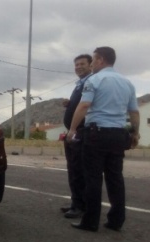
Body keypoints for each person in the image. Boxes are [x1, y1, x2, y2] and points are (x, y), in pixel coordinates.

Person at [67, 46, 140, 232]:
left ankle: (90, 221)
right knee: (115, 178)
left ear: (100, 60)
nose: (91, 64)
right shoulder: (127, 83)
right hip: (118, 134)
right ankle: (116, 220)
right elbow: (134, 111)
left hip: (96, 133)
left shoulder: (95, 80)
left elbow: (84, 105)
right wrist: (135, 133)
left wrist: (73, 129)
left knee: (93, 178)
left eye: (93, 60)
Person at [60, 54, 92, 218]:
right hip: (76, 132)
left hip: (81, 132)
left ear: (90, 65)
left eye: (82, 64)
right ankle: (76, 202)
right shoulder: (80, 84)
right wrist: (69, 104)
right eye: (76, 64)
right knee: (73, 170)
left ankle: (80, 206)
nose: (78, 67)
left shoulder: (90, 82)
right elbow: (80, 105)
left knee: (78, 170)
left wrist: (73, 130)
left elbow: (86, 105)